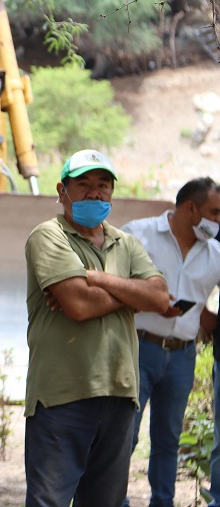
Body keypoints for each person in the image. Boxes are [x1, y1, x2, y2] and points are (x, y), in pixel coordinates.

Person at [23, 149, 169, 507]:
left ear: (111, 192)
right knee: (49, 502)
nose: (94, 193)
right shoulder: (48, 236)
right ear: (62, 191)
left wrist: (95, 278)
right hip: (62, 396)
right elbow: (78, 305)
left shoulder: (126, 242)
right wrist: (133, 291)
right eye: (83, 184)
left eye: (103, 185)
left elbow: (161, 298)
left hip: (119, 394)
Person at [120, 177, 220, 507]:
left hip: (182, 357)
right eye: (214, 212)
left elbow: (206, 309)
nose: (218, 220)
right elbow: (110, 287)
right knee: (123, 436)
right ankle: (111, 500)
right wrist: (147, 302)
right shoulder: (138, 234)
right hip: (138, 348)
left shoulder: (215, 253)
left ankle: (162, 502)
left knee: (168, 440)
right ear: (190, 209)